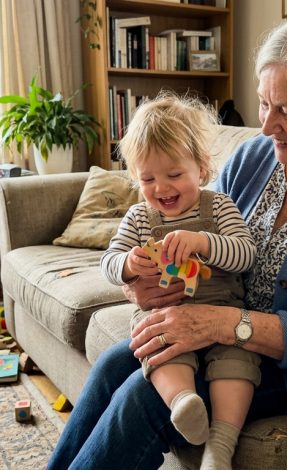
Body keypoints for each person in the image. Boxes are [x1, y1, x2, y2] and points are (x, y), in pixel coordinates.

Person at [47, 8, 287, 470]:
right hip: (209, 335)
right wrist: (143, 282)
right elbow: (194, 232)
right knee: (111, 367)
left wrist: (223, 323)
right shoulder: (254, 157)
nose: (265, 127)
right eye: (265, 104)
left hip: (286, 367)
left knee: (143, 397)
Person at [99, 93, 259, 468]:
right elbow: (107, 261)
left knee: (236, 365)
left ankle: (220, 447)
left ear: (201, 170)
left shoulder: (218, 207)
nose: (161, 188)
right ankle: (183, 402)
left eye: (174, 175)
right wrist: (129, 263)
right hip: (163, 315)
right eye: (148, 178)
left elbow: (246, 253)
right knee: (161, 354)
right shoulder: (139, 218)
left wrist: (204, 241)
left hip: (222, 313)